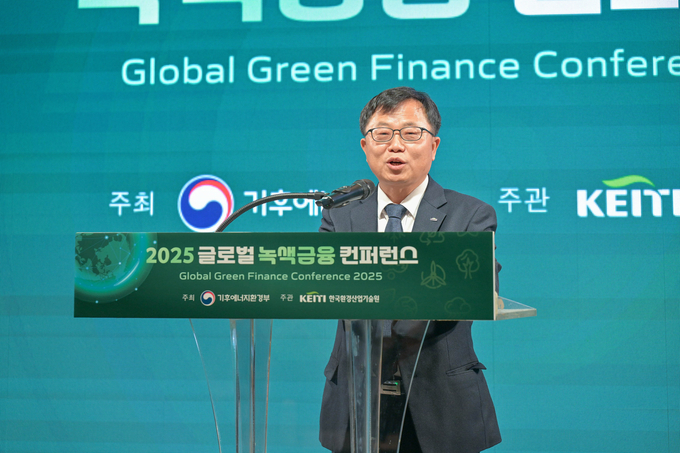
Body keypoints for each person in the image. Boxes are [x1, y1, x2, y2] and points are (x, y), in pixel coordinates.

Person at [318, 87, 502, 453]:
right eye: (382, 134)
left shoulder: (471, 214)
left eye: (411, 133)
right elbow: (326, 288)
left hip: (441, 402)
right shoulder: (339, 215)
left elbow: (478, 286)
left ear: (433, 146)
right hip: (357, 402)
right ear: (365, 146)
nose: (395, 145)